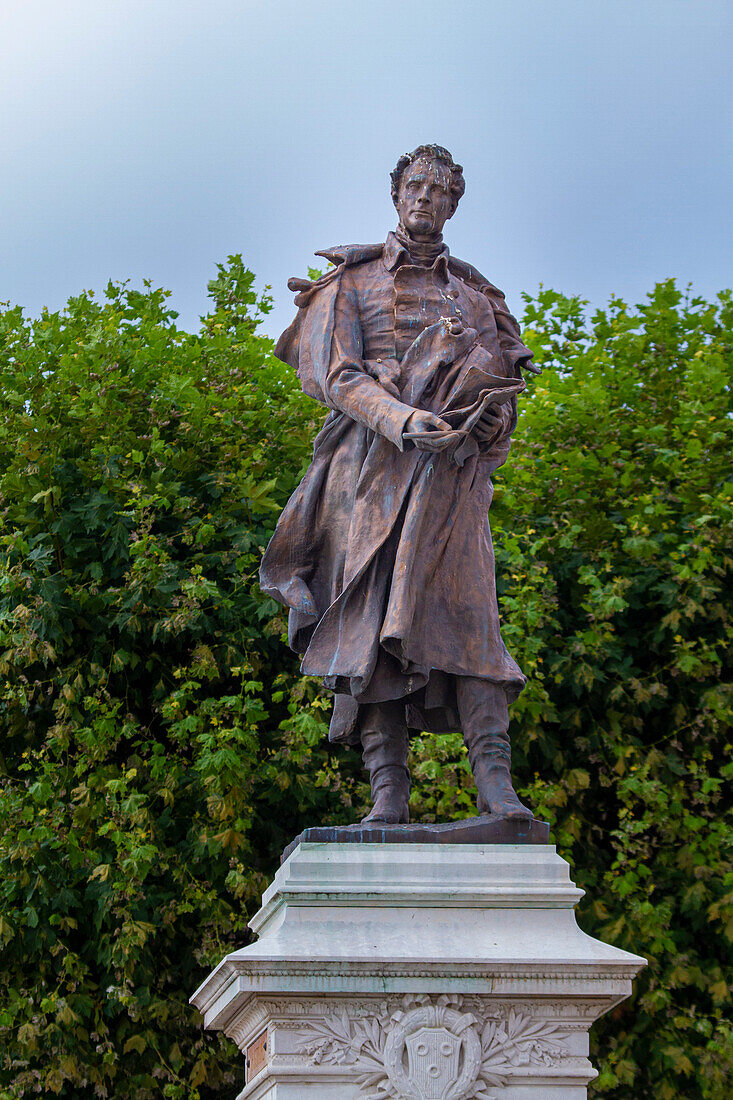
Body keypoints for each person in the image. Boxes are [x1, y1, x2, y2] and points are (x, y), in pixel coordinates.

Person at [260, 144, 539, 824]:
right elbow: (334, 374)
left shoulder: (476, 296)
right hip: (368, 474)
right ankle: (388, 794)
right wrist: (403, 418)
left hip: (451, 481)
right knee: (366, 622)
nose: (425, 198)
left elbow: (503, 387)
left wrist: (483, 424)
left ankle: (496, 789)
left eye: (439, 190)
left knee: (472, 620)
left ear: (452, 203)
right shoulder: (348, 284)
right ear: (396, 195)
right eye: (415, 186)